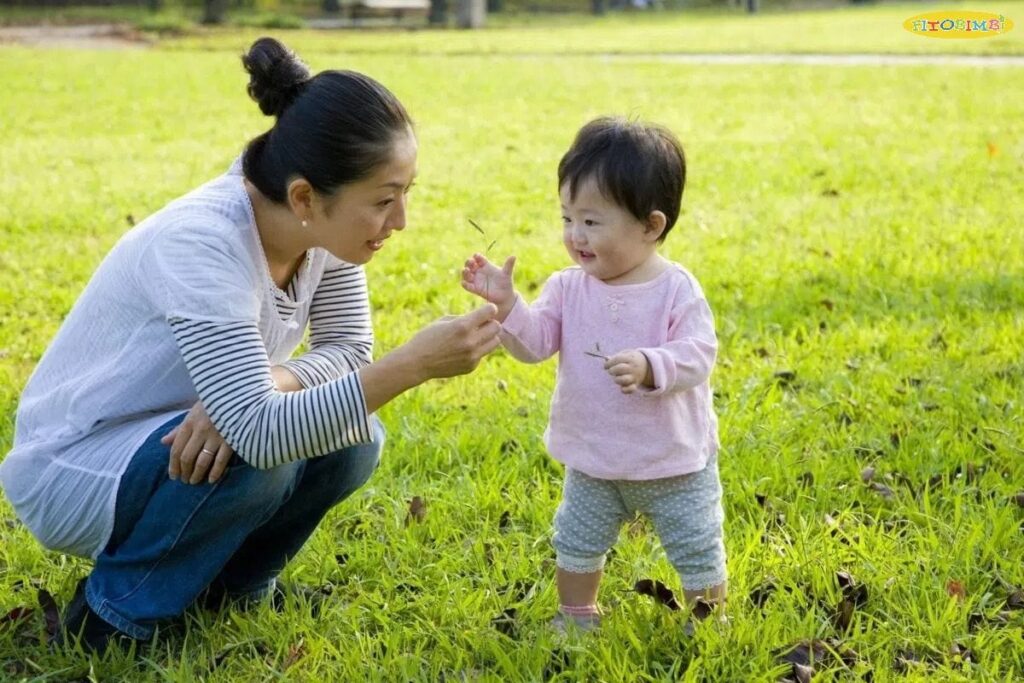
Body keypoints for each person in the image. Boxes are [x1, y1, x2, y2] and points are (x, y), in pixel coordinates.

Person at [0, 36, 501, 652]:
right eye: (383, 200)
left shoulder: (326, 234)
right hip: (75, 463)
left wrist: (274, 381)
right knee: (267, 448)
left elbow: (348, 354)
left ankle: (233, 587)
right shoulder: (202, 244)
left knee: (353, 434)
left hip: (166, 435)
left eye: (405, 192)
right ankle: (110, 616)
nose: (399, 221)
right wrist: (415, 364)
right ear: (304, 197)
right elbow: (262, 434)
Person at [461, 117, 726, 632]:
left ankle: (708, 620)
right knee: (576, 541)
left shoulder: (676, 290)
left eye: (592, 222)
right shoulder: (568, 287)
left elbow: (699, 353)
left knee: (697, 544)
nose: (575, 236)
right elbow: (535, 344)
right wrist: (509, 305)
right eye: (567, 219)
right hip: (594, 458)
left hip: (671, 461)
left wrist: (654, 364)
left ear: (651, 226)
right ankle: (577, 614)